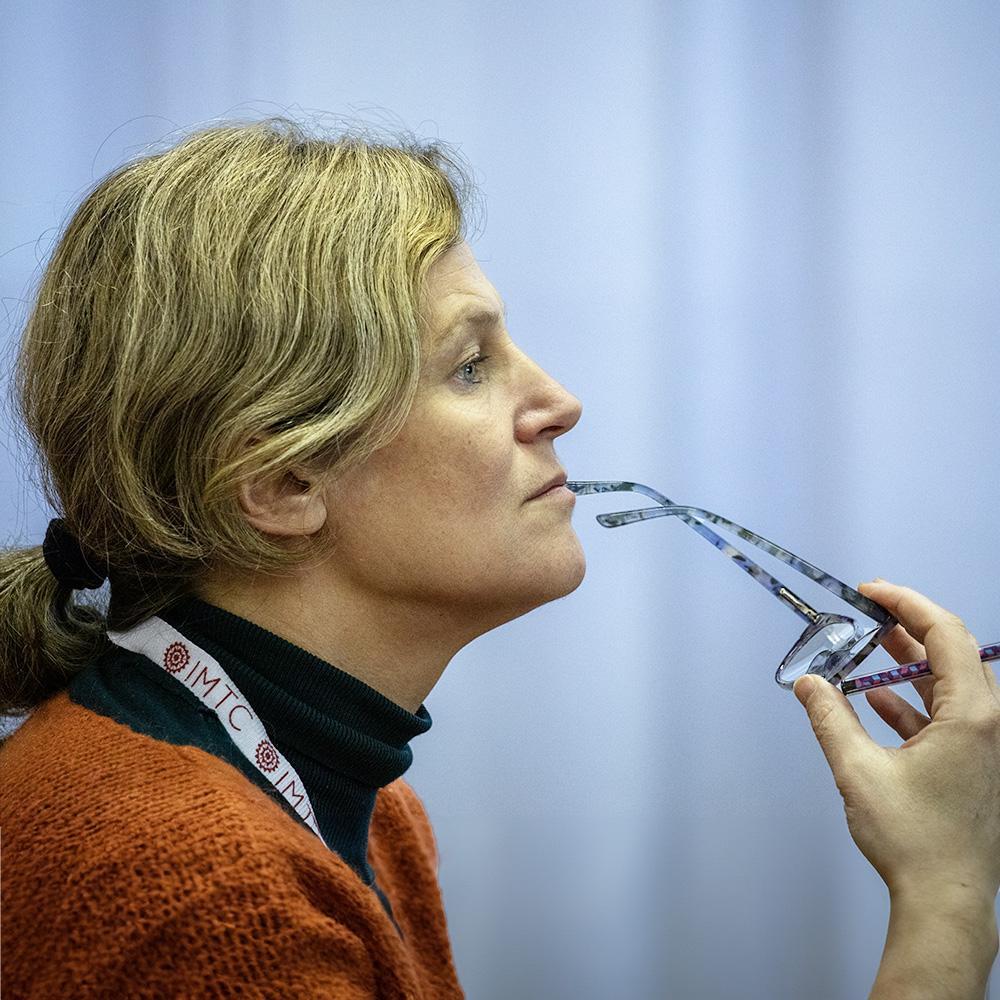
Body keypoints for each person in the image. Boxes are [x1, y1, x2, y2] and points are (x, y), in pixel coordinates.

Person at [0, 119, 996, 999]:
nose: (560, 403)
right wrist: (946, 894)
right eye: (469, 366)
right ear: (282, 482)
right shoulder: (200, 891)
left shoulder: (370, 812)